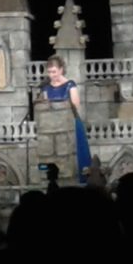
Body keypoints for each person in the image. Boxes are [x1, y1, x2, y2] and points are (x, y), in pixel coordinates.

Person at [40, 55, 91, 184]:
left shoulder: (70, 85)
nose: (52, 75)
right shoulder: (46, 87)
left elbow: (75, 104)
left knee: (76, 155)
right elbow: (45, 107)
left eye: (54, 72)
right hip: (52, 126)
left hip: (71, 123)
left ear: (61, 70)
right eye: (49, 72)